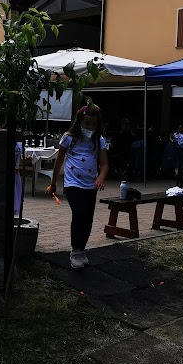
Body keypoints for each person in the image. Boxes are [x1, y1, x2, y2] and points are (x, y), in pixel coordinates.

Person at [47, 105, 109, 269]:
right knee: (79, 214)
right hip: (72, 184)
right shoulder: (69, 138)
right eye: (87, 123)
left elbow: (104, 164)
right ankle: (75, 250)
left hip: (91, 185)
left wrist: (101, 178)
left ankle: (82, 250)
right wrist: (53, 184)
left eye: (93, 125)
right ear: (80, 121)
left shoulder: (98, 140)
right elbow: (58, 162)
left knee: (88, 218)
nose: (89, 127)